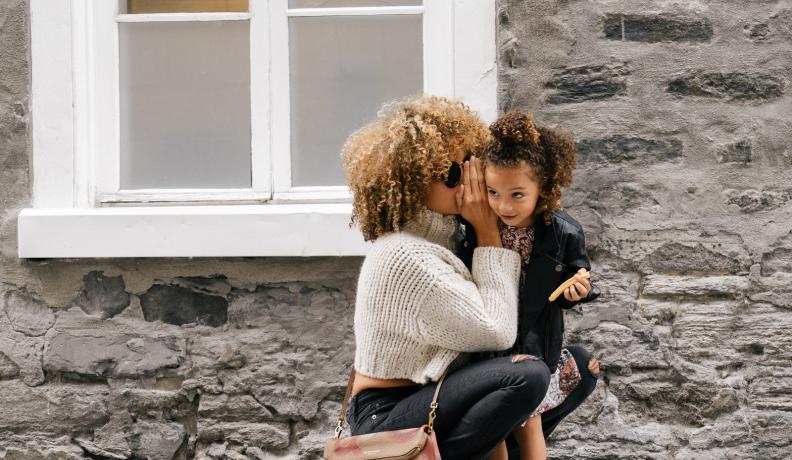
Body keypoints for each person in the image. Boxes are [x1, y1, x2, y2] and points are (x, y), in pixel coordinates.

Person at [340, 96, 551, 460]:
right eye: (453, 174)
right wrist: (488, 230)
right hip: (387, 412)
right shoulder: (403, 255)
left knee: (575, 366)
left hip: (429, 398)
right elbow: (496, 329)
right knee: (527, 376)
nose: (468, 183)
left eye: (471, 167)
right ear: (413, 180)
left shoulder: (446, 240)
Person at [458, 112, 602, 460]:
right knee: (494, 423)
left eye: (517, 194)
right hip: (486, 340)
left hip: (534, 341)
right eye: (493, 192)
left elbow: (577, 274)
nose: (504, 205)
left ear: (544, 188)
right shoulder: (472, 226)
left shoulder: (564, 232)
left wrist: (577, 289)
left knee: (529, 422)